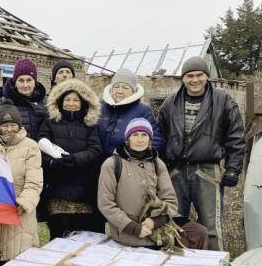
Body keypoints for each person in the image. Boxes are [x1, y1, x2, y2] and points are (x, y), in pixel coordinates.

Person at [158, 57, 245, 250]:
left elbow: (236, 137)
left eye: (199, 75)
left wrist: (233, 169)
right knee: (174, 224)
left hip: (207, 171)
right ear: (183, 78)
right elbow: (159, 139)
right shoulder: (170, 104)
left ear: (207, 76)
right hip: (175, 172)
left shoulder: (223, 101)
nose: (194, 80)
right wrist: (158, 170)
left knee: (211, 227)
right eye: (190, 76)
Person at [98, 118, 209, 249]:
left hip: (157, 224)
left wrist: (155, 221)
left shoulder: (157, 163)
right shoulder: (112, 164)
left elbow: (170, 200)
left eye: (144, 135)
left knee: (199, 233)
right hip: (128, 230)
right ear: (128, 139)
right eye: (135, 135)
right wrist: (134, 228)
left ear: (150, 139)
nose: (140, 140)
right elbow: (106, 204)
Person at [0, 105, 43, 265]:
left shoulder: (31, 147)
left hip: (20, 211)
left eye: (13, 125)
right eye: (4, 125)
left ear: (19, 126)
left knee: (20, 261)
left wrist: (24, 202)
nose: (9, 129)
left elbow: (34, 181)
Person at [39, 79, 103, 237]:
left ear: (83, 103)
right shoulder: (50, 123)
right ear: (60, 102)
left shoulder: (89, 125)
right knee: (59, 235)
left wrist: (75, 159)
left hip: (83, 189)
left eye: (76, 100)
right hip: (56, 188)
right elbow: (40, 145)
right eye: (67, 99)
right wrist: (53, 162)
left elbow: (95, 150)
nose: (71, 103)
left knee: (81, 236)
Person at [97, 68, 163, 158]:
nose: (120, 91)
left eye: (125, 87)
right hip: (96, 165)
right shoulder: (99, 106)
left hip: (127, 166)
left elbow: (156, 141)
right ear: (111, 89)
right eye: (116, 87)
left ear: (133, 91)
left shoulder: (143, 110)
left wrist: (138, 160)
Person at [0, 58, 48, 141]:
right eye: (21, 80)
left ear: (35, 82)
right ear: (15, 82)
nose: (25, 85)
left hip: (42, 152)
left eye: (29, 80)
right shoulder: (4, 103)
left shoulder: (45, 103)